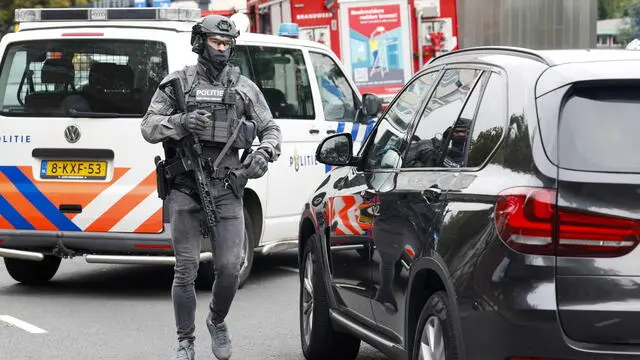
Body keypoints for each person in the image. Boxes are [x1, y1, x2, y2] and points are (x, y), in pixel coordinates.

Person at [140, 14, 282, 360]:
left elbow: (272, 130)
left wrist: (264, 153)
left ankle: (216, 320)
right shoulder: (178, 83)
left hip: (228, 188)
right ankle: (185, 342)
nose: (223, 49)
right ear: (200, 42)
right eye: (217, 42)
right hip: (186, 189)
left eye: (228, 44)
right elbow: (148, 126)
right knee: (186, 269)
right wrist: (181, 122)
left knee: (230, 269)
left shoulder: (244, 87)